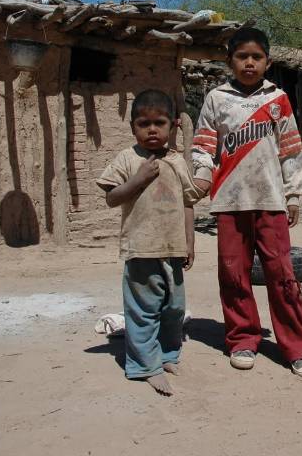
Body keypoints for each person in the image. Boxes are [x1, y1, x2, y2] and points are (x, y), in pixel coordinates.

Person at [192, 28, 302, 379]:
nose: (249, 63)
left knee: (283, 275)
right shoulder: (216, 99)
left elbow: (291, 150)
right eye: (242, 56)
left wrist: (293, 195)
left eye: (256, 57)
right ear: (229, 61)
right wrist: (201, 175)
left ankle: (297, 347)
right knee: (233, 273)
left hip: (271, 200)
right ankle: (242, 339)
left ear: (268, 62)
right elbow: (203, 146)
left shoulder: (278, 99)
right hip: (229, 200)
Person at [97, 89, 207, 396]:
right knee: (143, 310)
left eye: (159, 123)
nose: (152, 130)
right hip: (141, 248)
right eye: (144, 124)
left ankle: (168, 354)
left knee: (173, 309)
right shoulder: (127, 159)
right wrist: (138, 180)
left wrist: (189, 242)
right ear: (133, 126)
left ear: (173, 126)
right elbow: (111, 197)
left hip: (173, 248)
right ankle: (145, 366)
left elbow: (187, 202)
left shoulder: (178, 161)